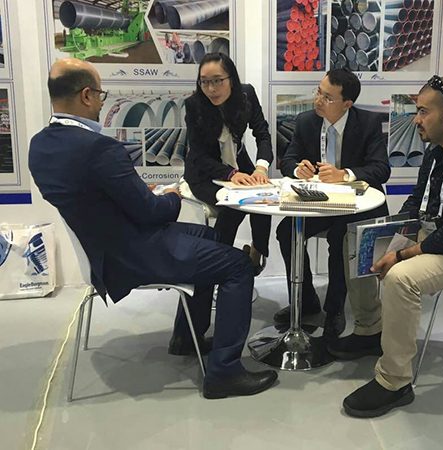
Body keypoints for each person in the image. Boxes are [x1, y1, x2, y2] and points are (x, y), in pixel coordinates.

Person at [29, 58, 277, 399]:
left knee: (212, 238)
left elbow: (94, 197)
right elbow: (151, 213)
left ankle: (186, 338)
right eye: (100, 95)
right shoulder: (98, 148)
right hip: (135, 251)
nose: (101, 103)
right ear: (86, 95)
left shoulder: (40, 145)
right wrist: (173, 197)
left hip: (104, 248)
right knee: (237, 265)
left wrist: (139, 196)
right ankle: (224, 373)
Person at [329, 76, 443, 418]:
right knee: (355, 240)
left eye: (423, 112)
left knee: (401, 278)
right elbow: (418, 203)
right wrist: (390, 233)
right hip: (439, 233)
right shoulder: (437, 150)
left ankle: (394, 382)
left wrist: (401, 254)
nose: (416, 119)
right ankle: (370, 329)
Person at [277, 68, 391, 336]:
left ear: (346, 104)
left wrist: (345, 175)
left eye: (327, 98)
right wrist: (298, 169)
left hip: (355, 206)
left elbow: (381, 169)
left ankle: (334, 309)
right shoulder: (306, 121)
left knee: (340, 237)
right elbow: (288, 160)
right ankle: (305, 301)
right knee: (286, 232)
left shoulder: (368, 123)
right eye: (319, 92)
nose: (318, 100)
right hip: (318, 202)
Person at [184, 53, 272, 275]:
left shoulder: (246, 94)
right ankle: (219, 264)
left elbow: (262, 134)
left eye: (217, 80)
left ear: (231, 78)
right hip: (204, 172)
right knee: (233, 206)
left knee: (265, 196)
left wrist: (261, 167)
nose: (211, 89)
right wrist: (231, 174)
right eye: (205, 82)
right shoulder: (194, 105)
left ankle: (256, 254)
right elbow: (199, 155)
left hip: (237, 161)